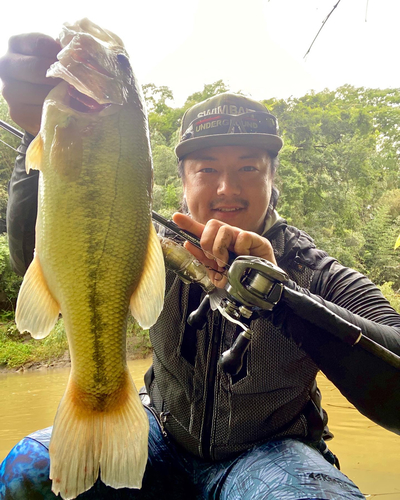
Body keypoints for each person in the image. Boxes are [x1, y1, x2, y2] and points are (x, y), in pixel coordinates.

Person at [0, 33, 400, 500]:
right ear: (181, 181)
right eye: (206, 169)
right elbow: (39, 253)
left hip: (270, 453)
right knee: (27, 473)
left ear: (273, 180)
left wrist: (284, 298)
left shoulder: (313, 271)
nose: (226, 188)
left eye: (249, 168)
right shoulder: (151, 243)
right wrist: (38, 136)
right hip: (160, 435)